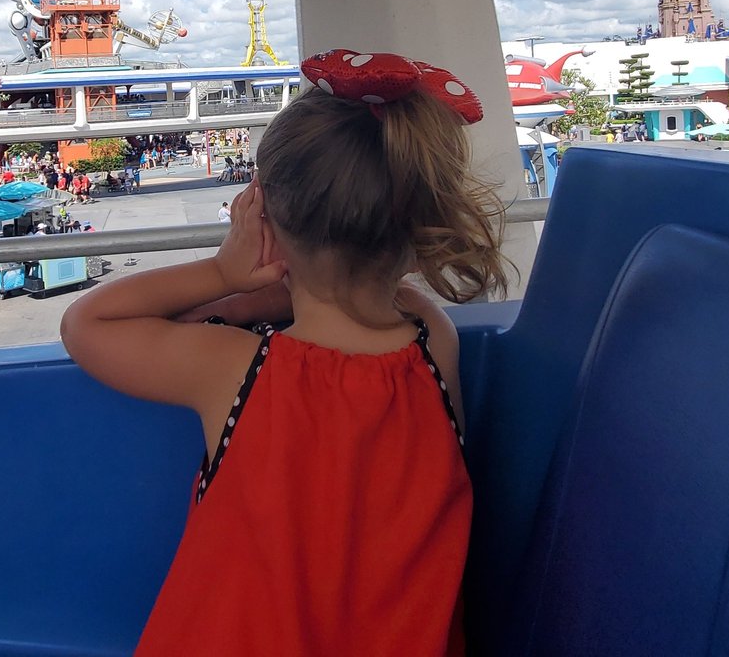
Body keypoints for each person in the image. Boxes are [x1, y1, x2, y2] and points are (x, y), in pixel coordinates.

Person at [61, 51, 503, 655]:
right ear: (418, 225)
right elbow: (369, 290)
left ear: (261, 217)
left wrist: (224, 273)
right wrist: (272, 289)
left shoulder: (236, 369)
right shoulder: (432, 339)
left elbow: (87, 323)